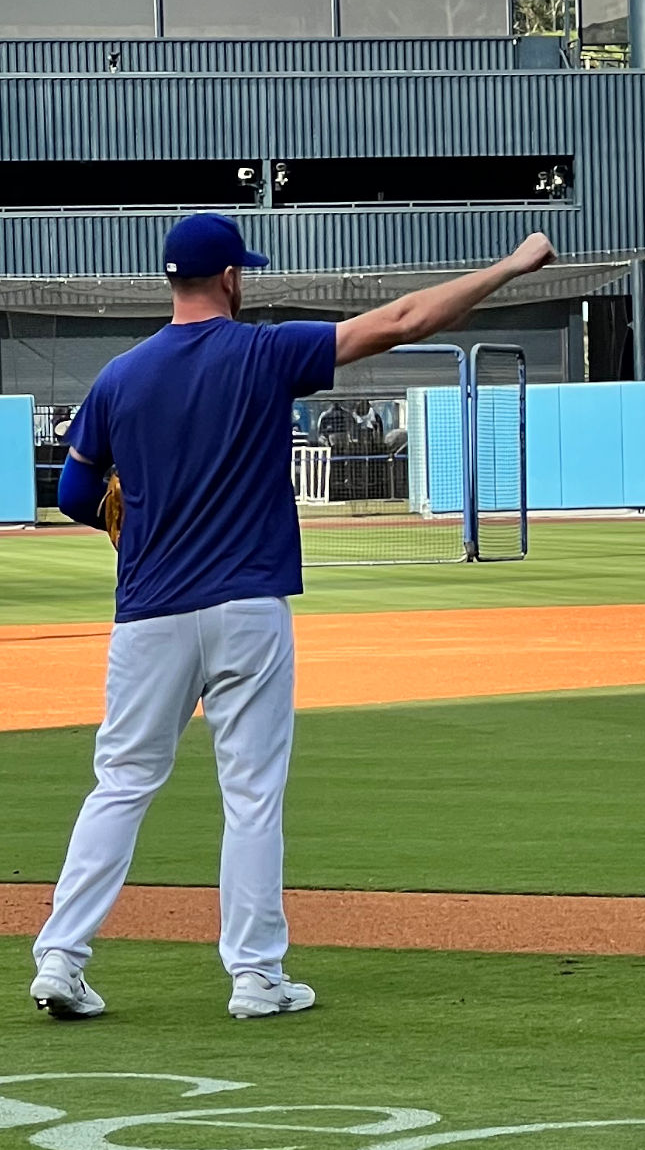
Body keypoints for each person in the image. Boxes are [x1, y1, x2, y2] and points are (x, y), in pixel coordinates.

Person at [30, 215, 557, 1021]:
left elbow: (73, 494)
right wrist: (514, 265)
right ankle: (255, 976)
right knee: (251, 793)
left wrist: (127, 515)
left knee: (122, 784)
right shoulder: (264, 351)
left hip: (148, 613)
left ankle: (61, 959)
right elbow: (404, 320)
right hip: (246, 606)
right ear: (232, 278)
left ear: (171, 280)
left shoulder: (119, 377)